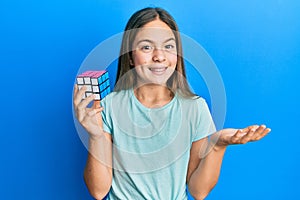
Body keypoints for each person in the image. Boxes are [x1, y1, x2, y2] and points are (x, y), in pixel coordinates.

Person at [73, 7, 271, 200]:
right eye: (146, 47)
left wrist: (218, 144)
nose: (159, 57)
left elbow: (198, 191)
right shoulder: (109, 106)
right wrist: (96, 136)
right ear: (131, 57)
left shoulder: (195, 108)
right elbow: (98, 191)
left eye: (168, 46)